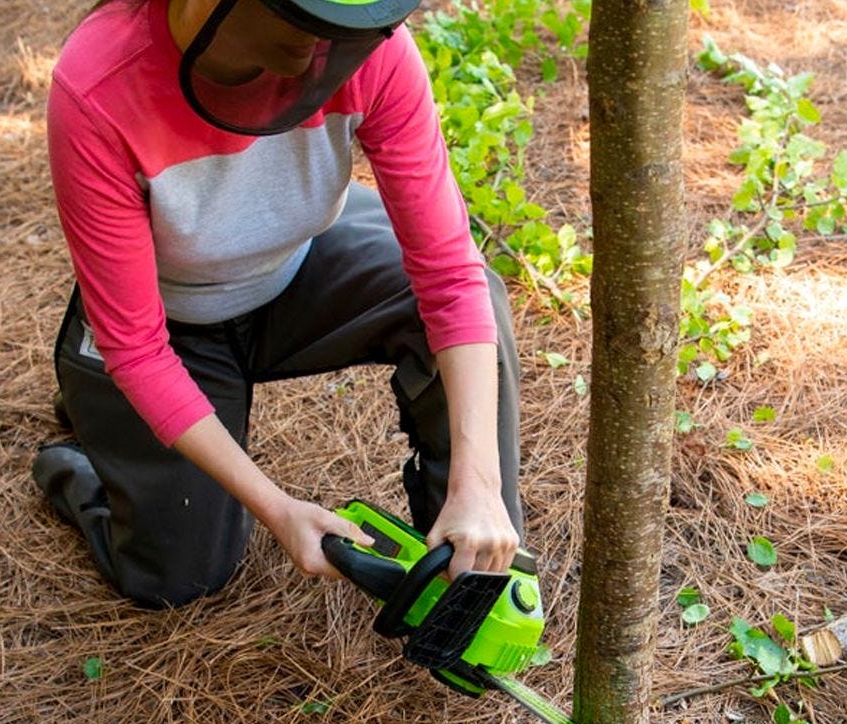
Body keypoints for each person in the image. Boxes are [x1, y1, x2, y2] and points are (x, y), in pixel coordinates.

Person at [36, 0, 523, 608]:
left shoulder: (370, 50)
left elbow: (450, 276)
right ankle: (84, 450)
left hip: (295, 267)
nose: (326, 48)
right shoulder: (99, 86)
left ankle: (468, 560)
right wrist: (278, 508)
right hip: (171, 321)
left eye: (345, 30)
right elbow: (136, 347)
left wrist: (480, 486)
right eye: (308, 22)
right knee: (178, 576)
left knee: (477, 298)